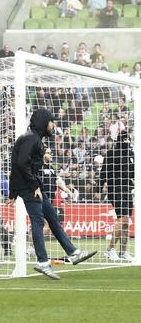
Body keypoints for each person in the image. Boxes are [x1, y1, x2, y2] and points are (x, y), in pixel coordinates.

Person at [8, 109, 95, 280]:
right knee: (38, 220)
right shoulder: (31, 138)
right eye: (51, 121)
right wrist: (33, 186)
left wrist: (14, 191)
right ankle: (42, 262)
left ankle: (73, 252)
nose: (54, 125)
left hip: (33, 186)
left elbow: (20, 163)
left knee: (52, 218)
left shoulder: (33, 138)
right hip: (30, 188)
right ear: (43, 122)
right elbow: (20, 163)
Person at [100, 131, 134, 261]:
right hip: (115, 189)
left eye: (128, 140)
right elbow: (104, 172)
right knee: (123, 219)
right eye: (125, 139)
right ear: (120, 140)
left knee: (127, 222)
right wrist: (98, 188)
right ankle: (110, 250)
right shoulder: (111, 154)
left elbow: (133, 172)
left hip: (128, 189)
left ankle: (123, 251)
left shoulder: (131, 154)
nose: (127, 142)